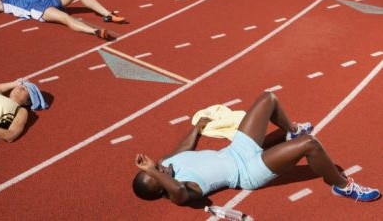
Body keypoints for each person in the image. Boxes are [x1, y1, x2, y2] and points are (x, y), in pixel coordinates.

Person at [133, 92, 380, 204]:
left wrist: (198, 128)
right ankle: (343, 186)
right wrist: (154, 173)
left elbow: (183, 148)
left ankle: (291, 129)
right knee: (309, 144)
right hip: (247, 171)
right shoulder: (180, 192)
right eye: (156, 174)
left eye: (156, 166)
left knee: (268, 99)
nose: (161, 168)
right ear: (159, 190)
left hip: (236, 150)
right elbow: (176, 190)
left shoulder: (168, 164)